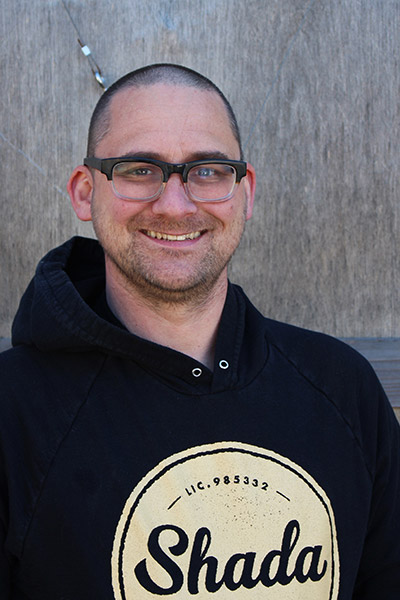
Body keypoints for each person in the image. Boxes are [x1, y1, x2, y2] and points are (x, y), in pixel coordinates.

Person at [0, 63, 399, 600]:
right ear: (84, 191)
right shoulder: (12, 410)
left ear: (245, 192)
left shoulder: (344, 388)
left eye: (207, 170)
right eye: (139, 169)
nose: (175, 204)